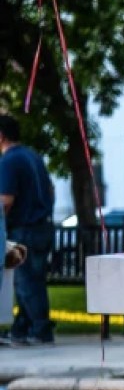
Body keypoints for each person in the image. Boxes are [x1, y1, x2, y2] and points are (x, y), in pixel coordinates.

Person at [0, 114, 56, 347]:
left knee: (25, 283)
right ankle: (21, 329)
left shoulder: (8, 161)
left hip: (23, 229)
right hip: (42, 225)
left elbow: (5, 200)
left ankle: (40, 329)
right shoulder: (33, 156)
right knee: (33, 279)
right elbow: (51, 190)